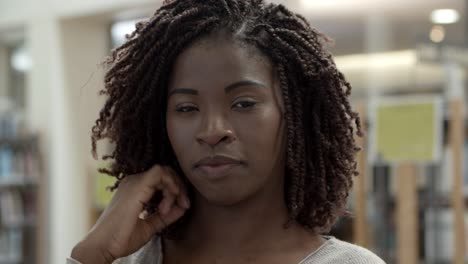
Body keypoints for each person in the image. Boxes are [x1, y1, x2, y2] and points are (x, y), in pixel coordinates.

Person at [68, 0, 386, 263]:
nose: (212, 131)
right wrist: (91, 254)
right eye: (186, 108)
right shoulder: (126, 260)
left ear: (294, 116)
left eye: (244, 103)